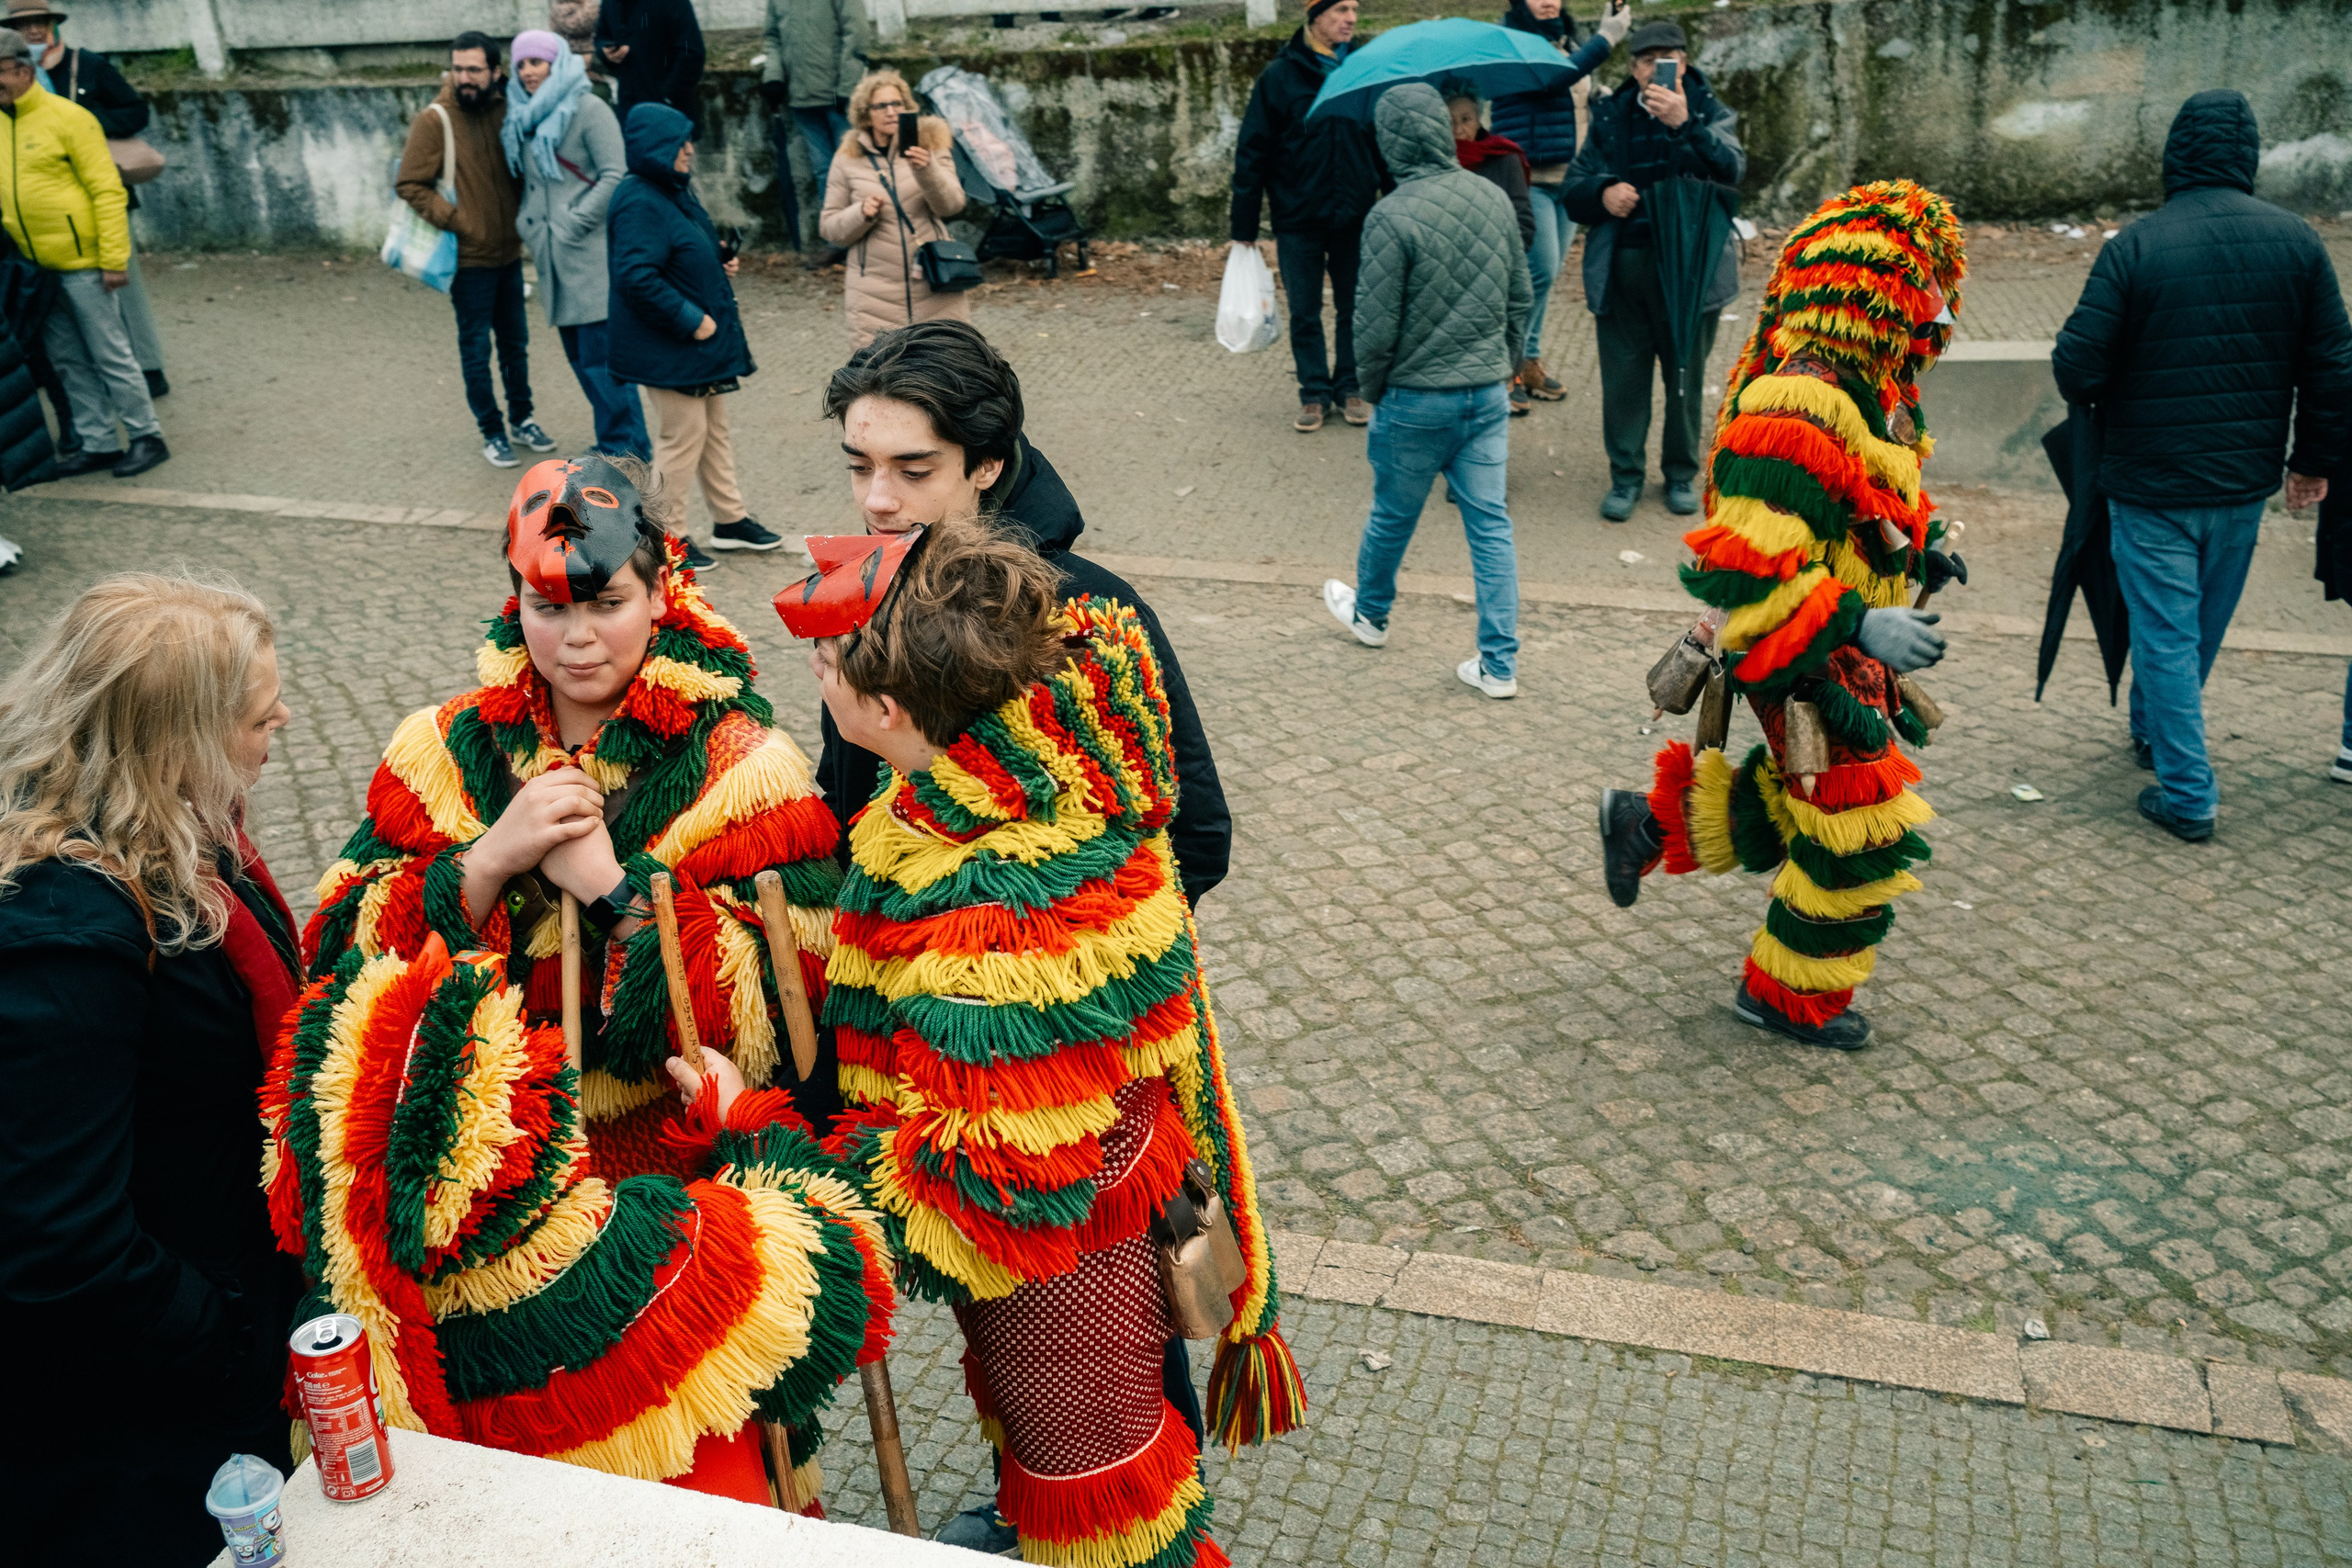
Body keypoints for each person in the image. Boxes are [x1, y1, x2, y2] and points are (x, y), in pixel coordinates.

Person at [781, 513, 1301, 1568]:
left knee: (1102, 1510)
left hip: (1061, 1265)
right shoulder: (1031, 762)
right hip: (1093, 1213)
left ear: (882, 709)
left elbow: (983, 1186)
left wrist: (776, 1158)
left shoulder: (998, 923)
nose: (817, 678)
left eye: (827, 664)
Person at [300, 456, 843, 1184]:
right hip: (477, 1166)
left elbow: (789, 1015)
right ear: (515, 601)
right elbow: (340, 951)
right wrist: (486, 864)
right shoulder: (439, 749)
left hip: (666, 1179)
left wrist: (613, 891)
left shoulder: (746, 770)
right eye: (549, 608)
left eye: (605, 602)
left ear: (659, 592)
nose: (578, 637)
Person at [262, 934, 895, 1507]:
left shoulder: (338, 1362)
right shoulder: (658, 1260)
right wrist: (741, 1121)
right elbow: (850, 1257)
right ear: (511, 1119)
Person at [1596, 180, 1969, 1052]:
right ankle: (1784, 995)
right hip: (1801, 652)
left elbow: (1874, 503)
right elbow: (1745, 568)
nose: (1944, 309)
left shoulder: (1883, 391)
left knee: (1815, 803)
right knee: (1857, 833)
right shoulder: (1793, 402)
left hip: (1846, 649)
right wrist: (1859, 624)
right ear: (1869, 290)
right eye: (1929, 287)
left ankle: (1643, 825)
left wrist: (1925, 548)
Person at [0, 574, 302, 1562]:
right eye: (260, 715)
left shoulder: (178, 841)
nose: (283, 723)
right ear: (177, 742)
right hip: (140, 1417)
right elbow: (62, 1238)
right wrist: (225, 1342)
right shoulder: (66, 931)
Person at [2052, 90, 2352, 840]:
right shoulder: (2299, 243)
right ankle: (2156, 734)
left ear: (2173, 154)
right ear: (2248, 155)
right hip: (2242, 485)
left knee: (2166, 634)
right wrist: (2311, 462)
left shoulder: (2137, 245)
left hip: (2149, 485)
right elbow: (2332, 368)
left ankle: (2187, 792)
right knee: (2194, 631)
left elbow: (2077, 366)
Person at [1320, 84, 1531, 701]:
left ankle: (1373, 617)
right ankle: (1499, 665)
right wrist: (1505, 364)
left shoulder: (1391, 215)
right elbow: (1521, 295)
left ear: (1391, 141)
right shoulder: (1491, 196)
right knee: (1491, 525)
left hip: (1417, 396)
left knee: (1392, 514)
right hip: (1486, 393)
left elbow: (1374, 326)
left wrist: (1378, 389)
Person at [1563, 18, 1744, 522]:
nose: (1658, 69)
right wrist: (1602, 193)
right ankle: (1625, 476)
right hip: (1625, 268)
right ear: (1634, 68)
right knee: (1624, 379)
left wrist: (1686, 124)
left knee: (1685, 374)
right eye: (1648, 61)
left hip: (1690, 270)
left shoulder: (1708, 109)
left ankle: (1681, 474)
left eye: (1671, 59)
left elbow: (1732, 172)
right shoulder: (1612, 114)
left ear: (1685, 64)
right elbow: (1572, 188)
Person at [607, 102, 784, 564]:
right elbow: (635, 276)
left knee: (714, 430)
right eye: (680, 142)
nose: (689, 149)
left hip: (696, 347)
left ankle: (730, 520)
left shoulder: (670, 190)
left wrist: (717, 255)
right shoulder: (638, 198)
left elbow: (679, 247)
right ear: (656, 149)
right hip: (672, 345)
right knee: (682, 438)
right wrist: (692, 318)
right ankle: (667, 539)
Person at [0, 28, 165, 478]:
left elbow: (106, 190)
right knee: (68, 361)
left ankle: (147, 435)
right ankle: (99, 442)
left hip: (86, 264)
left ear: (24, 69)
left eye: (0, 72)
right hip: (37, 268)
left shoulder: (69, 118)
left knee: (110, 354)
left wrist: (113, 259)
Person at [398, 31, 554, 470]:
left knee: (515, 345)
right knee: (475, 349)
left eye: (474, 70)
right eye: (458, 69)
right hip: (468, 260)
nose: (464, 78)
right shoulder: (436, 119)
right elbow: (410, 183)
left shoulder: (508, 109)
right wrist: (459, 222)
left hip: (508, 253)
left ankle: (523, 419)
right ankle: (492, 431)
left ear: (495, 72)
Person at [1229, 0, 1384, 434]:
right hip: (1298, 216)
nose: (1351, 18)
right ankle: (1314, 392)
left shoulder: (1364, 71)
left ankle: (1351, 387)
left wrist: (1395, 198)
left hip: (1355, 213)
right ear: (1315, 16)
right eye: (1340, 9)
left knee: (1357, 307)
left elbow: (1380, 144)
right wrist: (1243, 227)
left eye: (1354, 9)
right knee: (1305, 310)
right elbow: (1252, 151)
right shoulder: (1280, 77)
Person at [508, 28, 647, 461]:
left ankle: (627, 449)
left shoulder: (588, 107)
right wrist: (527, 224)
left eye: (536, 61)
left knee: (603, 362)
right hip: (552, 257)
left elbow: (616, 173)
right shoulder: (523, 116)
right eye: (522, 64)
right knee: (578, 358)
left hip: (590, 255)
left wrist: (576, 219)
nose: (529, 72)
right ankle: (614, 438)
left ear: (557, 61)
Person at [1490, 0, 1628, 403]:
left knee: (1546, 278)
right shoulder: (1511, 45)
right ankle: (1505, 366)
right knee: (1539, 271)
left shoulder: (1567, 42)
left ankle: (1529, 361)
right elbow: (1549, 82)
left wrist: (1595, 103)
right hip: (1528, 176)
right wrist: (1606, 39)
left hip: (1569, 178)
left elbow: (1565, 94)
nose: (1549, 1)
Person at [819, 70, 968, 350]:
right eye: (881, 106)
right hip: (873, 294)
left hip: (934, 283)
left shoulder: (931, 144)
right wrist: (860, 213)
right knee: (884, 380)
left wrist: (928, 171)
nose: (891, 112)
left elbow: (951, 206)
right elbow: (829, 228)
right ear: (866, 113)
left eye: (897, 104)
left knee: (943, 373)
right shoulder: (847, 159)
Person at [1444, 87, 1534, 415]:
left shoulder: (1503, 157)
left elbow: (1523, 221)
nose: (1458, 130)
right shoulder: (1436, 161)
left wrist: (1499, 259)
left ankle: (1510, 377)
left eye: (1466, 119)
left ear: (1480, 119)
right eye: (1449, 121)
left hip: (1496, 266)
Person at [761, 0, 867, 268]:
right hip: (802, 98)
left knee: (856, 169)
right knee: (824, 173)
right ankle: (837, 242)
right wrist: (773, 77)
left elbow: (856, 34)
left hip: (839, 98)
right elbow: (772, 38)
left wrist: (848, 86)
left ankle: (868, 240)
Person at [593, 0, 706, 130]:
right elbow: (601, 37)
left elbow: (692, 55)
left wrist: (666, 97)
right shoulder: (610, 3)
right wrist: (606, 51)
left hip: (671, 115)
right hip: (628, 111)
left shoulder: (674, 3)